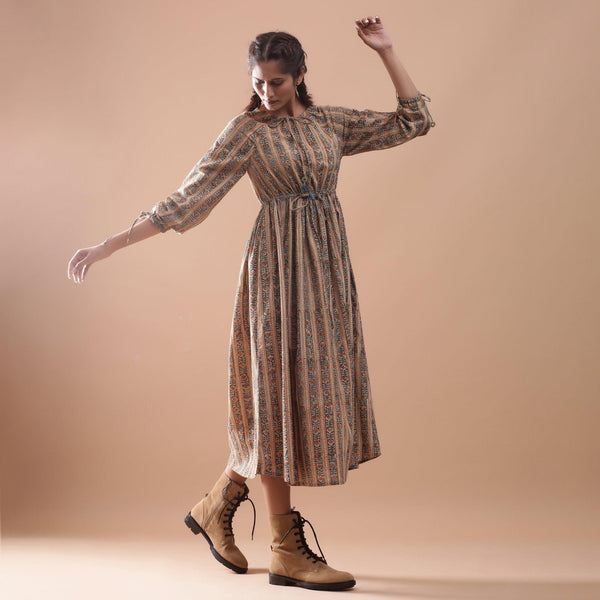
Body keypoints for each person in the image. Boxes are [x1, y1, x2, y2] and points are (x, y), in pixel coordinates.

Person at [67, 15, 435, 592]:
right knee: (274, 399)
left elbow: (415, 121)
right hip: (274, 276)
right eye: (258, 82)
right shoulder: (247, 132)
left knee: (301, 400)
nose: (266, 92)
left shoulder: (331, 123)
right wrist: (110, 245)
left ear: (300, 76)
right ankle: (286, 548)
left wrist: (386, 52)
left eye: (277, 82)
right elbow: (186, 199)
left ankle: (219, 503)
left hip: (326, 276)